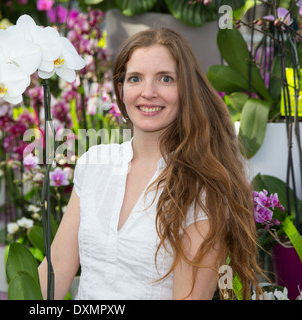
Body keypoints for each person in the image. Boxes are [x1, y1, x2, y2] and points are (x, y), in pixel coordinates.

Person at [38, 28, 264, 300]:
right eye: (135, 79)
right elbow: (58, 269)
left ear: (186, 90)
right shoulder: (93, 164)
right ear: (121, 91)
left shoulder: (202, 188)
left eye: (165, 79)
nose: (148, 92)